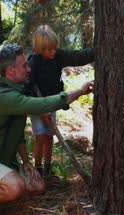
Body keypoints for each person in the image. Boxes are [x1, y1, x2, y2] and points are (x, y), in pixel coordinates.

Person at [0, 44, 94, 215]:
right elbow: (44, 103)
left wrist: (26, 162)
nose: (29, 69)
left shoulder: (16, 91)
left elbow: (17, 134)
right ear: (11, 70)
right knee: (15, 187)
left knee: (38, 186)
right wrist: (79, 91)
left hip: (4, 162)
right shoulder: (4, 97)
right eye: (24, 65)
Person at [27, 25, 94, 177]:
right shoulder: (33, 62)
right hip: (36, 103)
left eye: (54, 48)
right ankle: (37, 169)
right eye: (48, 49)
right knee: (40, 135)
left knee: (50, 134)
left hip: (52, 102)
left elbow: (77, 56)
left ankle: (48, 168)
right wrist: (41, 109)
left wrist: (96, 51)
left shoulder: (57, 55)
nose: (53, 52)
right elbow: (29, 86)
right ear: (39, 48)